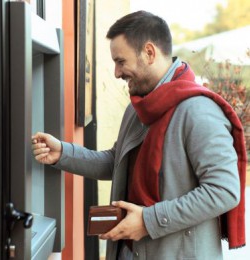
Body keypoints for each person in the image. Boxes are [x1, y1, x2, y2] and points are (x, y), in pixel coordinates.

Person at [32, 11, 246, 260]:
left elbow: (224, 191)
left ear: (149, 52)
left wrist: (147, 220)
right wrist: (63, 153)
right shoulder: (137, 109)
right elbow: (117, 162)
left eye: (120, 61)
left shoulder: (199, 111)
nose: (116, 72)